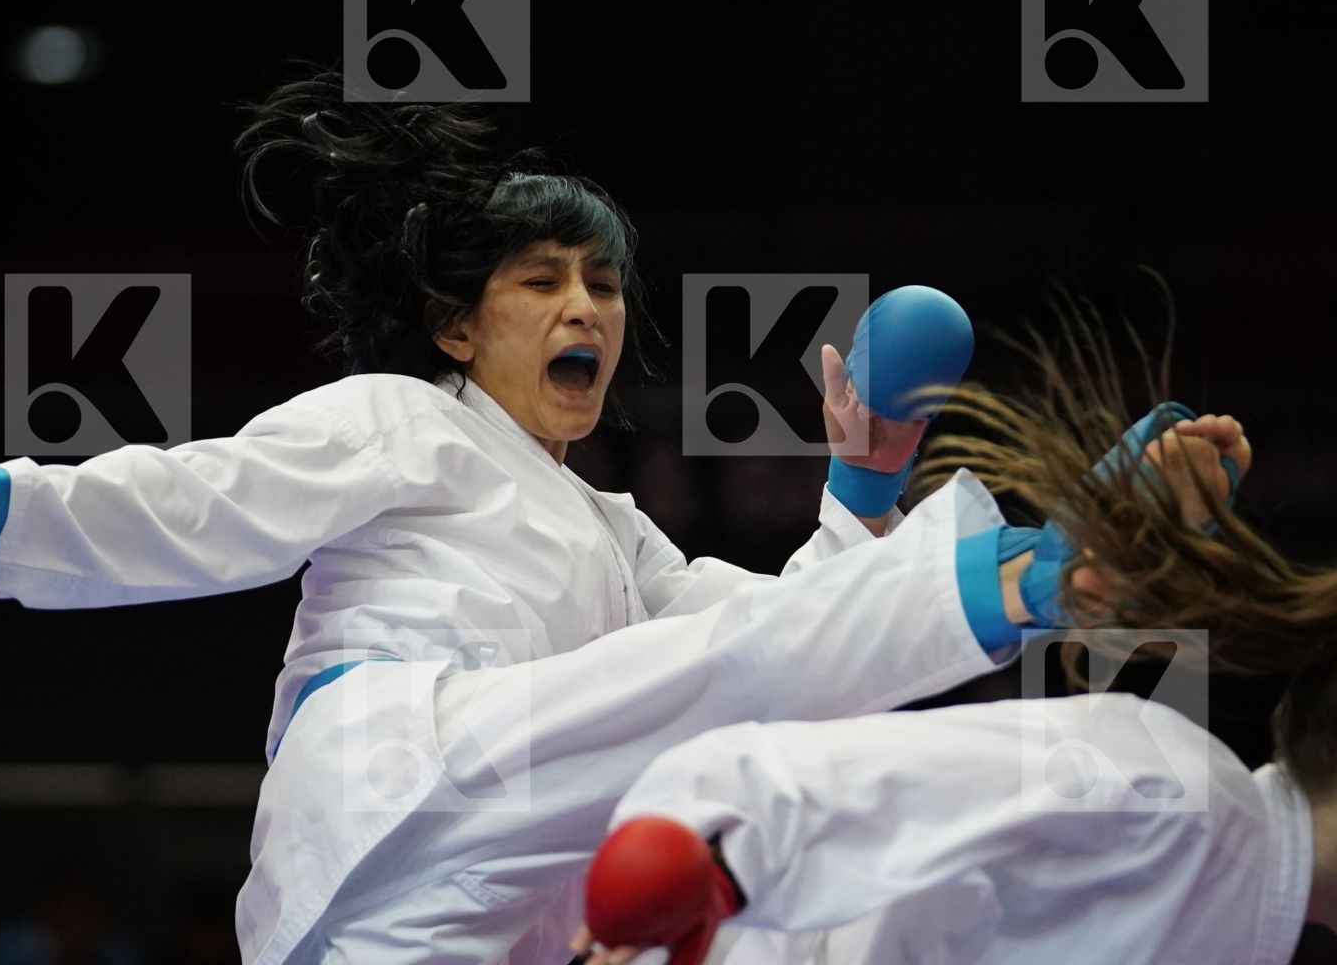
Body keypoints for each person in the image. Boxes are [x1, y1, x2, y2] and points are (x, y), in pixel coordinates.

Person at [0, 72, 1052, 964]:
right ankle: (1041, 575)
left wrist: (862, 493)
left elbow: (790, 647)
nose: (587, 306)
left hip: (460, 910)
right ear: (457, 327)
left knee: (792, 860)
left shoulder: (616, 531)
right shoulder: (403, 415)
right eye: (543, 279)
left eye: (604, 282)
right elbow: (204, 499)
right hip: (404, 771)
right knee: (716, 695)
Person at [570, 324, 1337, 965]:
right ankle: (1033, 572)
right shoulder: (1178, 799)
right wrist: (713, 871)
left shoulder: (1243, 900)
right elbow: (793, 760)